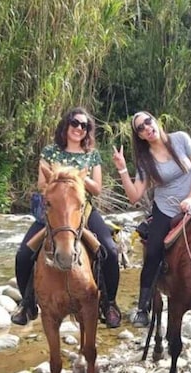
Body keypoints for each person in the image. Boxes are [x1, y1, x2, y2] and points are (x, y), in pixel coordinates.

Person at [11, 107, 122, 328]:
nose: (79, 128)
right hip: (54, 212)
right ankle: (27, 303)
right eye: (75, 123)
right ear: (66, 125)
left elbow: (97, 188)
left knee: (109, 250)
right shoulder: (50, 152)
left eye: (84, 126)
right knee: (24, 253)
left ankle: (109, 303)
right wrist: (61, 176)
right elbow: (43, 185)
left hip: (83, 211)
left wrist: (76, 175)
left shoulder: (92, 155)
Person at [112, 111, 191, 328]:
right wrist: (122, 169)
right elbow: (135, 196)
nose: (147, 127)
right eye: (140, 128)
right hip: (166, 209)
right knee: (154, 251)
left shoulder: (181, 139)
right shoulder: (145, 160)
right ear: (140, 136)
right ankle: (143, 307)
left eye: (148, 121)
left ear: (155, 121)